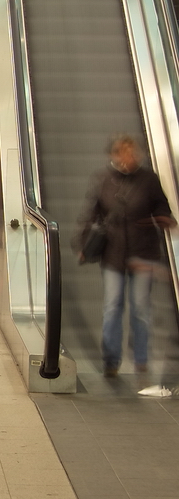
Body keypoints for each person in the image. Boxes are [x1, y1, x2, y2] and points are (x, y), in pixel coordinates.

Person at [76, 135, 175, 378]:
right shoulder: (103, 180)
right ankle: (111, 359)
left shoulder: (149, 180)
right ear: (115, 156)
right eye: (125, 154)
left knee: (140, 307)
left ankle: (140, 357)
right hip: (113, 253)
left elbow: (162, 206)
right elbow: (91, 213)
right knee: (112, 306)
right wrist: (83, 245)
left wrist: (163, 218)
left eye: (134, 154)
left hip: (144, 253)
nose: (130, 159)